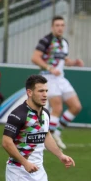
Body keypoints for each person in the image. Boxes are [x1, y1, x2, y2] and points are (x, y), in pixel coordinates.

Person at [31, 16, 85, 150]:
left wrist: (73, 63)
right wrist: (49, 68)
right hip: (47, 77)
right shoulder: (46, 41)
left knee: (76, 106)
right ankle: (47, 140)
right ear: (52, 27)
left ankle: (56, 132)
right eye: (57, 25)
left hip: (60, 78)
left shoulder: (64, 42)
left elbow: (63, 60)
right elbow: (35, 58)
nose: (60, 27)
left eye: (62, 25)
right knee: (57, 108)